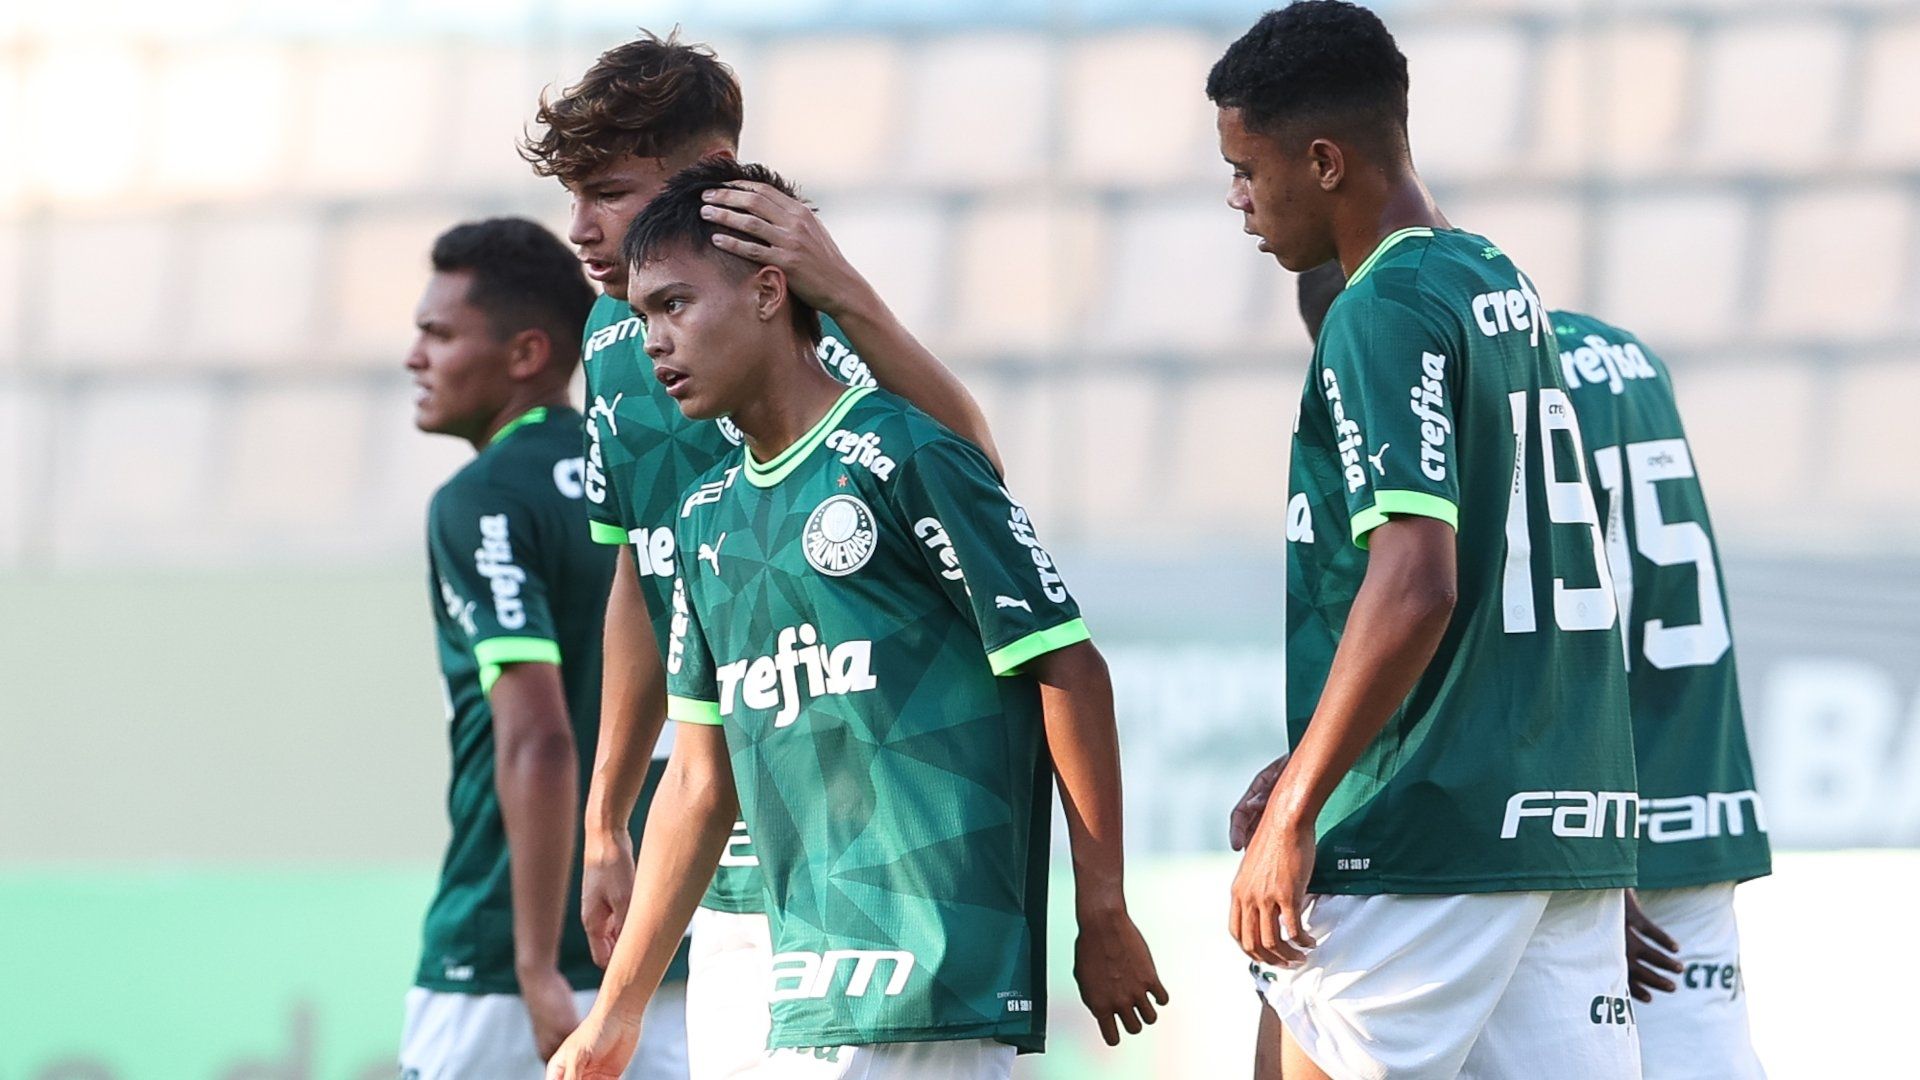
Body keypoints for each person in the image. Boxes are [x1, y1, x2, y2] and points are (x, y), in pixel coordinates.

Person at [545, 159, 1166, 1080]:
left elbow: (1066, 667)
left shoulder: (904, 455)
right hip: (793, 993)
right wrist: (618, 1013)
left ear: (767, 292)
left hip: (925, 984)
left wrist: (1101, 908)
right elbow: (695, 783)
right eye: (641, 318)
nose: (653, 343)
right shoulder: (707, 516)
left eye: (675, 305)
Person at [520, 35, 1002, 1079]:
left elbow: (977, 477)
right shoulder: (617, 341)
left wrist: (855, 295)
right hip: (716, 843)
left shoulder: (788, 309)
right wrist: (608, 814)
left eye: (607, 191)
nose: (581, 230)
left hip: (857, 845)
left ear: (705, 183)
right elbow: (642, 577)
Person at [1207, 4, 1640, 1077]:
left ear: (1322, 160)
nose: (1239, 200)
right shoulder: (1496, 279)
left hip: (1424, 830)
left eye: (1247, 168)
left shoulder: (1381, 305)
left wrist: (1296, 811)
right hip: (1553, 829)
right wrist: (1312, 754)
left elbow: (1417, 585)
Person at [1239, 261, 1776, 1077]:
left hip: (1559, 818)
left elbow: (1522, 612)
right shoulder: (1622, 357)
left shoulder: (1490, 378)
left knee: (1316, 1015)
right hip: (1688, 803)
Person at [399, 218, 686, 1079]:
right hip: (661, 949)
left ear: (526, 354)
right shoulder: (646, 480)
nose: (415, 356)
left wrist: (531, 964)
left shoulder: (481, 500)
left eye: (439, 334)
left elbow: (540, 737)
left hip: (505, 963)